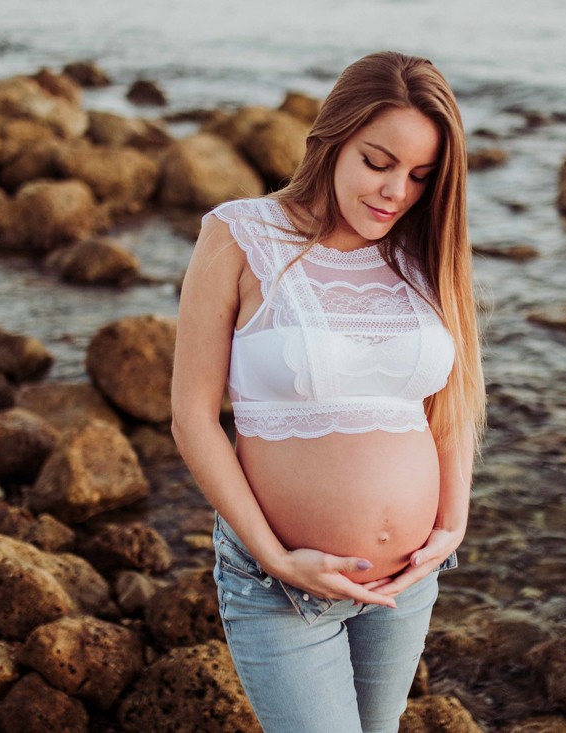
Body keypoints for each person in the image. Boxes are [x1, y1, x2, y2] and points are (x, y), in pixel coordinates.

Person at [171, 51, 486, 733]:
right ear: (333, 137)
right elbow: (192, 418)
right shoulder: (240, 234)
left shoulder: (423, 250)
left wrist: (451, 523)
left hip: (407, 583)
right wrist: (274, 554)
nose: (396, 191)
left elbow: (451, 401)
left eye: (420, 176)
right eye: (379, 162)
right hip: (283, 584)